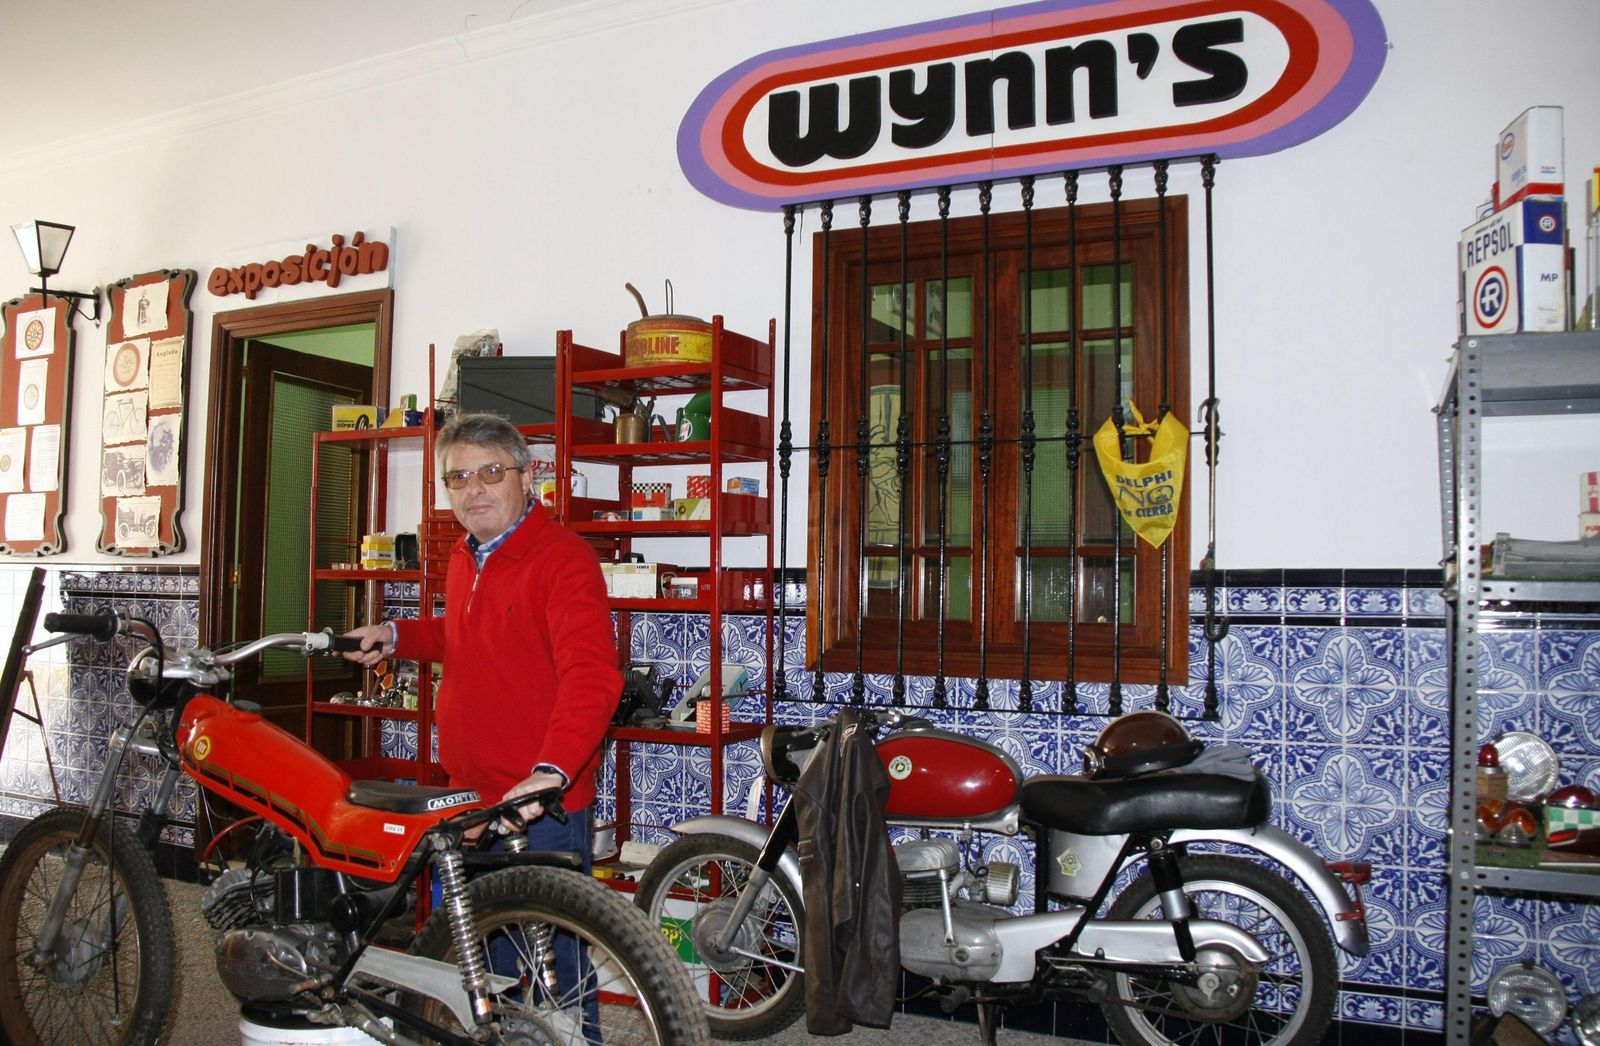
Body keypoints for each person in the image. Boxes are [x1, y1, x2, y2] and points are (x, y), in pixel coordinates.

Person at [342, 412, 621, 859]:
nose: (474, 489)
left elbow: (592, 675)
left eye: (491, 472)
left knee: (541, 931)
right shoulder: (463, 554)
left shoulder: (564, 559)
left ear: (527, 477)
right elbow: (466, 635)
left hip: (537, 806)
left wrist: (551, 773)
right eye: (458, 477)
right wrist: (393, 636)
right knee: (469, 929)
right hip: (468, 798)